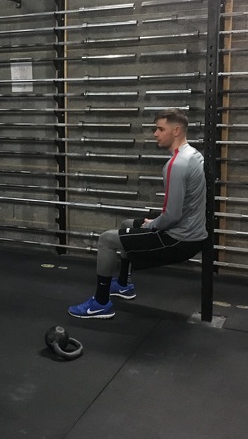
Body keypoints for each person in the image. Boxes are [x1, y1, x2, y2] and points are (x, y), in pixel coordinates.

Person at [68, 108, 208, 319]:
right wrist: (154, 221)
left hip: (180, 240)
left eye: (160, 129)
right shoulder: (194, 154)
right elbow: (182, 207)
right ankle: (123, 285)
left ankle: (100, 303)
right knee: (127, 224)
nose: (155, 134)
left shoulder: (177, 164)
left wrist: (150, 225)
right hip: (190, 231)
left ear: (176, 130)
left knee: (106, 240)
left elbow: (172, 216)